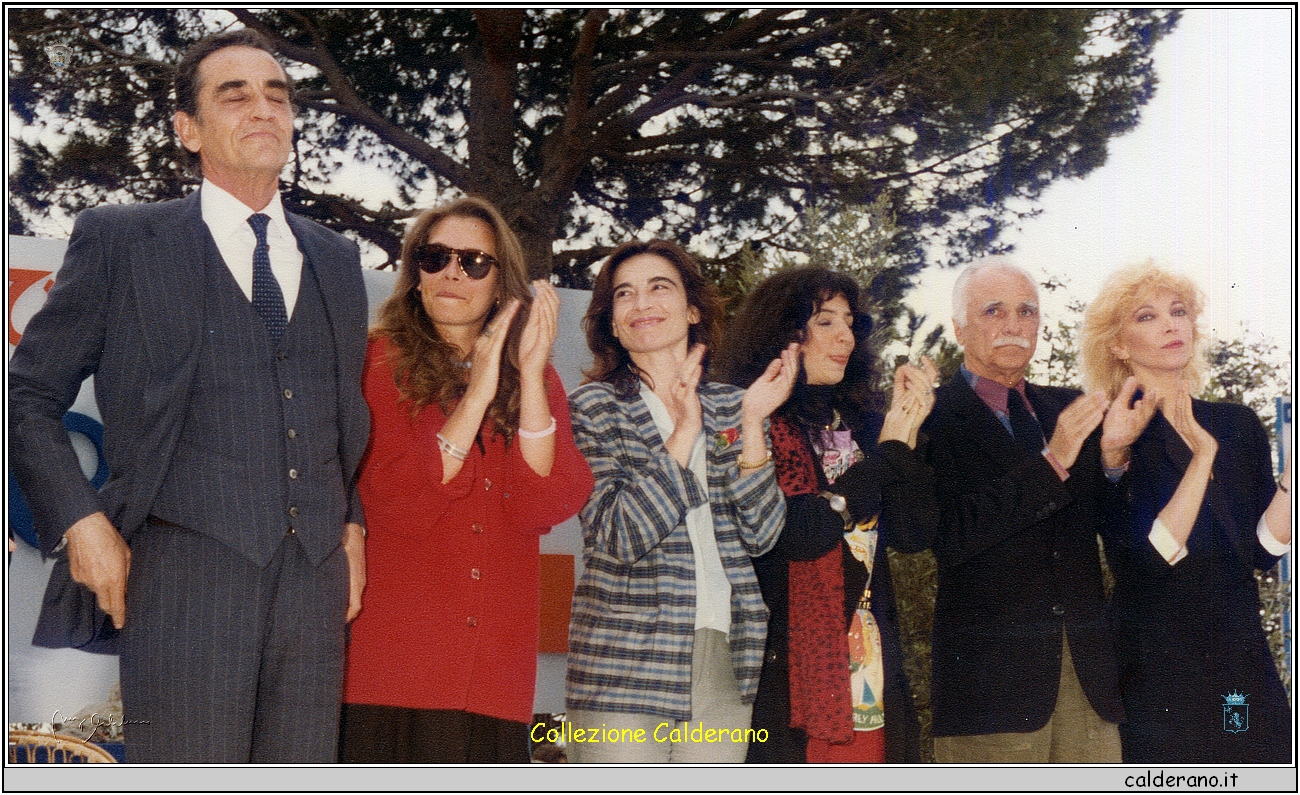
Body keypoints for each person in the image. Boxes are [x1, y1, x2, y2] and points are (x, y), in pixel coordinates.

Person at [8, 30, 370, 762]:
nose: (263, 108)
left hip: (314, 585)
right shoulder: (122, 239)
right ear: (188, 128)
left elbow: (334, 415)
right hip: (183, 574)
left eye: (277, 94)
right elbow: (27, 395)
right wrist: (82, 521)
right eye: (234, 94)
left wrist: (352, 525)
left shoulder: (335, 258)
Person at [339, 197, 593, 763]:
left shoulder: (538, 376)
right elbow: (400, 500)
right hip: (392, 667)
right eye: (435, 258)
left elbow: (544, 504)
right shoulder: (375, 361)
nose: (453, 272)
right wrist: (477, 391)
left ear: (502, 283)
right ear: (415, 275)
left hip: (493, 673)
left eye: (474, 262)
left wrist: (527, 377)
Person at [564, 239, 794, 763]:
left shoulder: (735, 405)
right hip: (622, 659)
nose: (641, 303)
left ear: (693, 310)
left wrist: (754, 425)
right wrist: (684, 432)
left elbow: (762, 534)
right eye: (624, 294)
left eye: (658, 287)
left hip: (726, 654)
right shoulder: (592, 407)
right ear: (612, 323)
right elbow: (619, 535)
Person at [714, 267, 940, 763]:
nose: (846, 336)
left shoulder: (863, 423)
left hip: (870, 662)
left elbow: (913, 533)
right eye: (825, 322)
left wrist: (908, 429)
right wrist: (885, 459)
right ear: (784, 333)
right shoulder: (751, 419)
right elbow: (799, 535)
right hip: (789, 669)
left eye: (850, 323)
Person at [1080, 262, 1292, 763]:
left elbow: (1262, 551)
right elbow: (1152, 560)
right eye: (1148, 317)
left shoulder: (1235, 423)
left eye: (1179, 312)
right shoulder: (1113, 432)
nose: (1172, 325)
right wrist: (1202, 458)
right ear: (1119, 346)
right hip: (1158, 670)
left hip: (1240, 664)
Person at [922, 257, 1124, 763]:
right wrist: (1052, 460)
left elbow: (1114, 529)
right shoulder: (929, 416)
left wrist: (1115, 458)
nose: (1014, 324)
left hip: (1090, 689)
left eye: (1027, 311)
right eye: (994, 310)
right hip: (990, 697)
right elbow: (947, 536)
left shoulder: (1072, 409)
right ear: (959, 328)